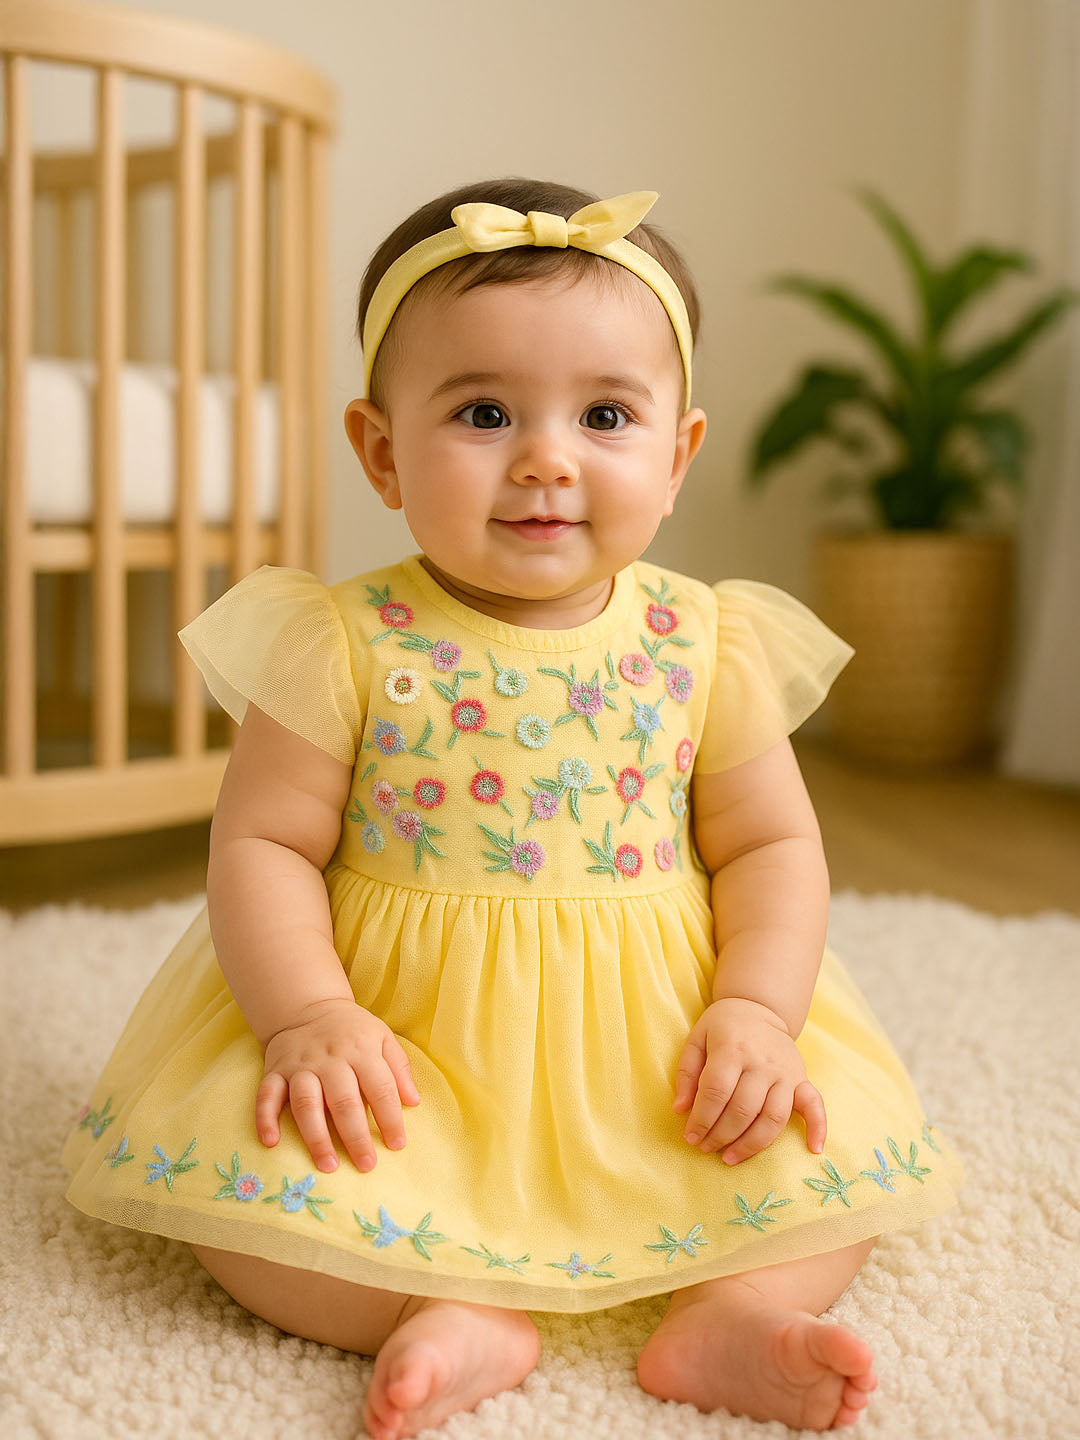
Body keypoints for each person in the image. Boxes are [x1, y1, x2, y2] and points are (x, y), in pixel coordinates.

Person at [62, 178, 965, 1439]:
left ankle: (734, 1314)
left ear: (678, 454)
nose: (547, 457)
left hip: (661, 1045)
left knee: (816, 1162)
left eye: (605, 415)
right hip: (399, 1035)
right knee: (261, 1198)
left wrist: (757, 1011)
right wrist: (310, 1018)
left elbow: (769, 842)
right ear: (379, 449)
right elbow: (263, 841)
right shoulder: (340, 639)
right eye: (484, 412)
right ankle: (435, 1307)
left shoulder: (704, 640)